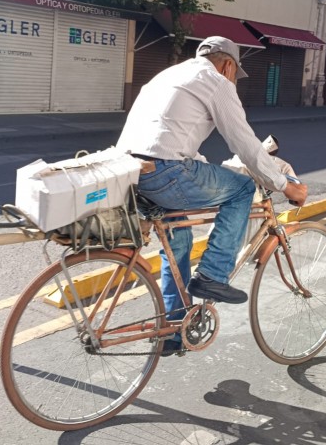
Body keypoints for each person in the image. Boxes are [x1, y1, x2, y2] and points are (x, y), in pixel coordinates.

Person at [116, 36, 308, 356]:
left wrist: (206, 167)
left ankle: (173, 331)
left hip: (132, 173)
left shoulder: (166, 76)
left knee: (177, 242)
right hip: (167, 172)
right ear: (228, 64)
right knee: (243, 189)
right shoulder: (216, 81)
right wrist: (283, 185)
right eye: (235, 73)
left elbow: (174, 138)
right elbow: (245, 143)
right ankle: (212, 276)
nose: (233, 80)